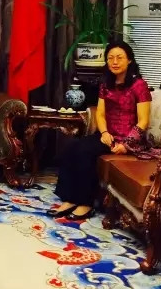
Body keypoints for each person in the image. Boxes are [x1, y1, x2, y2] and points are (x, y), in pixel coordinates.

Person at [48, 40, 151, 221]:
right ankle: (69, 199)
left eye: (119, 57)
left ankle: (86, 204)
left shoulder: (139, 85)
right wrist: (104, 133)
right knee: (71, 147)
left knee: (86, 152)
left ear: (129, 60)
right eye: (110, 58)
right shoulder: (106, 83)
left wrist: (126, 144)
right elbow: (101, 114)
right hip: (108, 136)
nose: (115, 62)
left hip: (130, 140)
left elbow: (144, 121)